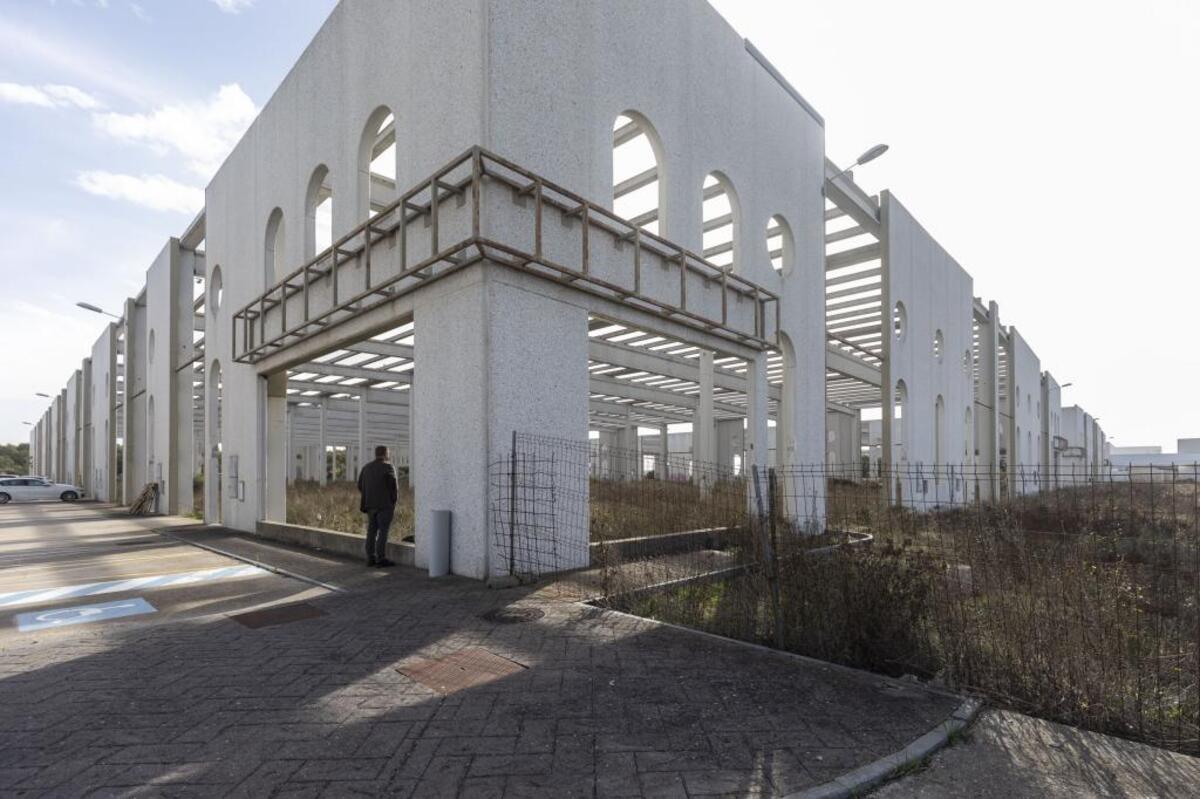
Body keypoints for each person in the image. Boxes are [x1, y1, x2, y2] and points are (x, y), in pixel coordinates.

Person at [357, 445, 398, 568]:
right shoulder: (388, 467)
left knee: (371, 531)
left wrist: (369, 495)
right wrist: (393, 502)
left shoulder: (366, 468)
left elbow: (360, 485)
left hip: (370, 505)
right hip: (385, 505)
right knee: (383, 532)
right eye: (388, 453)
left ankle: (370, 558)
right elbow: (394, 487)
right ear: (385, 454)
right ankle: (381, 558)